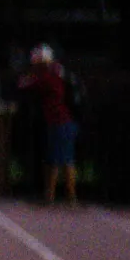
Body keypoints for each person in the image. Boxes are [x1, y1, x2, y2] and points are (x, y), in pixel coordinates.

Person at [17, 44, 81, 205]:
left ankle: (53, 196)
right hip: (67, 120)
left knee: (55, 161)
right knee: (66, 159)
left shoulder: (47, 76)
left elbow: (23, 84)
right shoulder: (60, 71)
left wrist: (30, 73)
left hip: (59, 121)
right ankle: (68, 196)